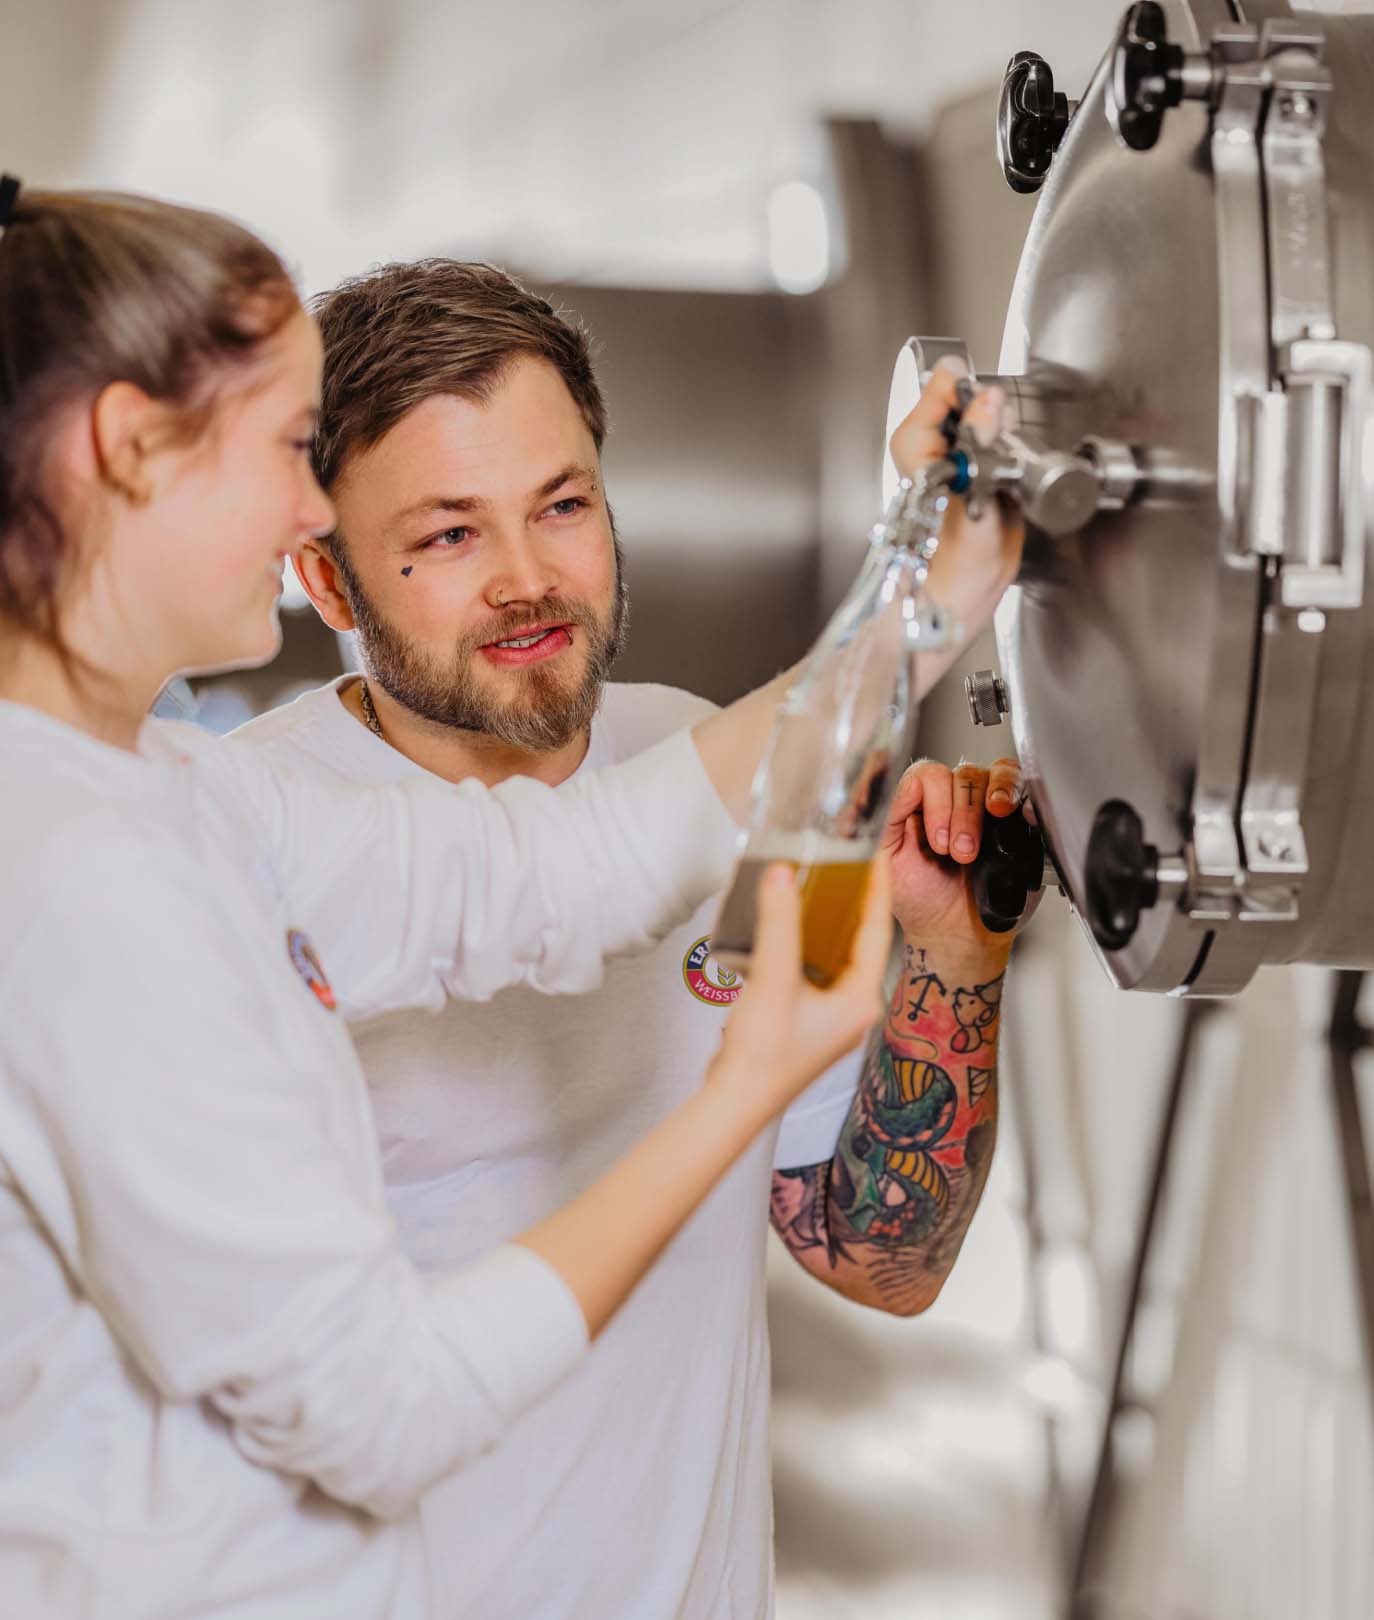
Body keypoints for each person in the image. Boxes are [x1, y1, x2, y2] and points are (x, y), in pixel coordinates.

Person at [0, 187, 1019, 1620]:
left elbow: (559, 873)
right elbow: (378, 1404)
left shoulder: (182, 794)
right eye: (289, 456)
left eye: (560, 505)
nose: (301, 503)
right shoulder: (78, 884)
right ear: (125, 455)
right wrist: (740, 1092)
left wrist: (921, 589)